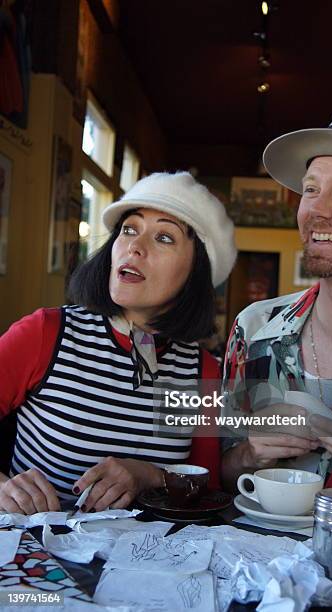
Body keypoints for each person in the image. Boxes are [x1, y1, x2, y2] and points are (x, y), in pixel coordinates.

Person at [0, 171, 237, 514]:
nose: (134, 247)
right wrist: (4, 488)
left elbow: (206, 487)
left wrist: (149, 475)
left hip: (148, 561)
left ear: (195, 273)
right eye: (129, 229)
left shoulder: (203, 371)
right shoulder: (46, 333)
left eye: (165, 238)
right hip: (37, 557)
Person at [221, 97, 332, 491]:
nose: (316, 210)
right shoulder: (253, 330)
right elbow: (221, 475)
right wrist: (249, 454)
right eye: (310, 189)